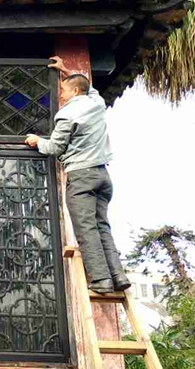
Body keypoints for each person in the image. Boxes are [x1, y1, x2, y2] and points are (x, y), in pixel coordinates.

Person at [25, 56, 131, 294]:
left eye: (63, 90)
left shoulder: (67, 114)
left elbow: (55, 148)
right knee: (102, 226)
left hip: (82, 177)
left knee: (86, 229)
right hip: (102, 176)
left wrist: (37, 140)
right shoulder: (96, 103)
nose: (61, 95)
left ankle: (101, 280)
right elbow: (88, 87)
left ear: (74, 91)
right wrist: (65, 70)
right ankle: (118, 275)